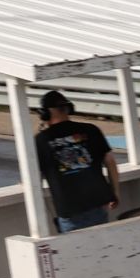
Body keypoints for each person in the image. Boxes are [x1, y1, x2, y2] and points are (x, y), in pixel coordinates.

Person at [33, 90, 121, 231]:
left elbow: (35, 177)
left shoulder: (40, 141)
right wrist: (115, 192)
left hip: (69, 210)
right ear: (69, 109)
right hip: (98, 204)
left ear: (45, 114)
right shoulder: (91, 130)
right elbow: (110, 162)